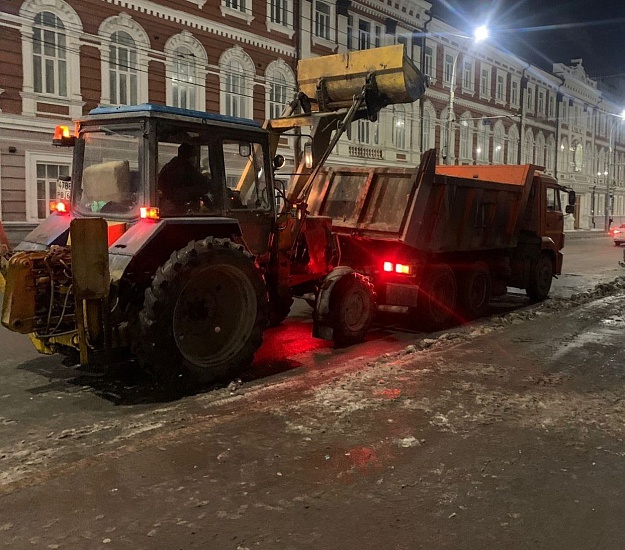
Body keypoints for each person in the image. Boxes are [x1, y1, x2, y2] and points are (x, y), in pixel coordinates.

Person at [157, 142, 208, 211]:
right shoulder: (184, 166)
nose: (194, 159)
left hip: (170, 196)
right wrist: (210, 183)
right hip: (177, 196)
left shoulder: (171, 165)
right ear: (189, 155)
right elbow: (198, 179)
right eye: (194, 156)